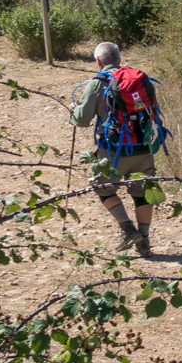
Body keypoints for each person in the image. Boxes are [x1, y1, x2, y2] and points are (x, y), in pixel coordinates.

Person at [71, 41, 167, 255]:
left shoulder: (98, 83)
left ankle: (127, 228)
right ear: (119, 59)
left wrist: (73, 110)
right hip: (144, 147)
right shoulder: (141, 80)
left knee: (102, 188)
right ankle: (144, 242)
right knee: (142, 193)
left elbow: (82, 120)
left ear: (98, 61)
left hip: (114, 152)